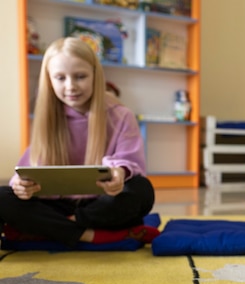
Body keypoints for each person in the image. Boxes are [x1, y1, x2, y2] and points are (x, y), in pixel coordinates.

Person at [0, 37, 158, 247]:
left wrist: (119, 173)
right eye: (60, 78)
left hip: (99, 205)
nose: (71, 86)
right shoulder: (48, 117)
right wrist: (20, 186)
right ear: (49, 80)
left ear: (95, 75)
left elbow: (131, 164)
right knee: (2, 196)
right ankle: (89, 235)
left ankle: (52, 230)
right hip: (56, 204)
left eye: (80, 76)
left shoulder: (121, 116)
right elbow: (27, 171)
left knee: (141, 190)